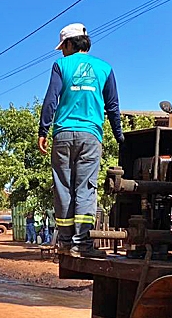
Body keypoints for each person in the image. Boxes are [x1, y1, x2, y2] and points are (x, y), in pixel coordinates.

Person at [39, 23, 122, 258]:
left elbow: (51, 99)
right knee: (85, 189)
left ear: (68, 43)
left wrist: (43, 131)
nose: (61, 51)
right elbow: (113, 106)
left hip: (62, 135)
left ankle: (65, 242)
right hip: (90, 136)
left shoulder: (61, 65)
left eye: (62, 46)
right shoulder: (104, 68)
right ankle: (82, 245)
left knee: (63, 188)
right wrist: (118, 134)